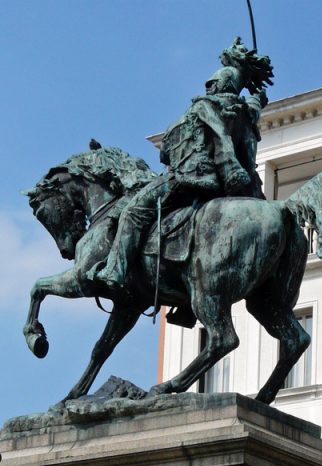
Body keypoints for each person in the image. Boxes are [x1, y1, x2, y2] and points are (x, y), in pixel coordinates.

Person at [92, 38, 273, 297]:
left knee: (132, 211)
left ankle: (115, 271)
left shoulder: (205, 107)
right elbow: (247, 155)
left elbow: (171, 153)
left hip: (192, 179)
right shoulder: (246, 117)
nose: (208, 87)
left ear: (220, 84)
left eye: (212, 83)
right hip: (228, 187)